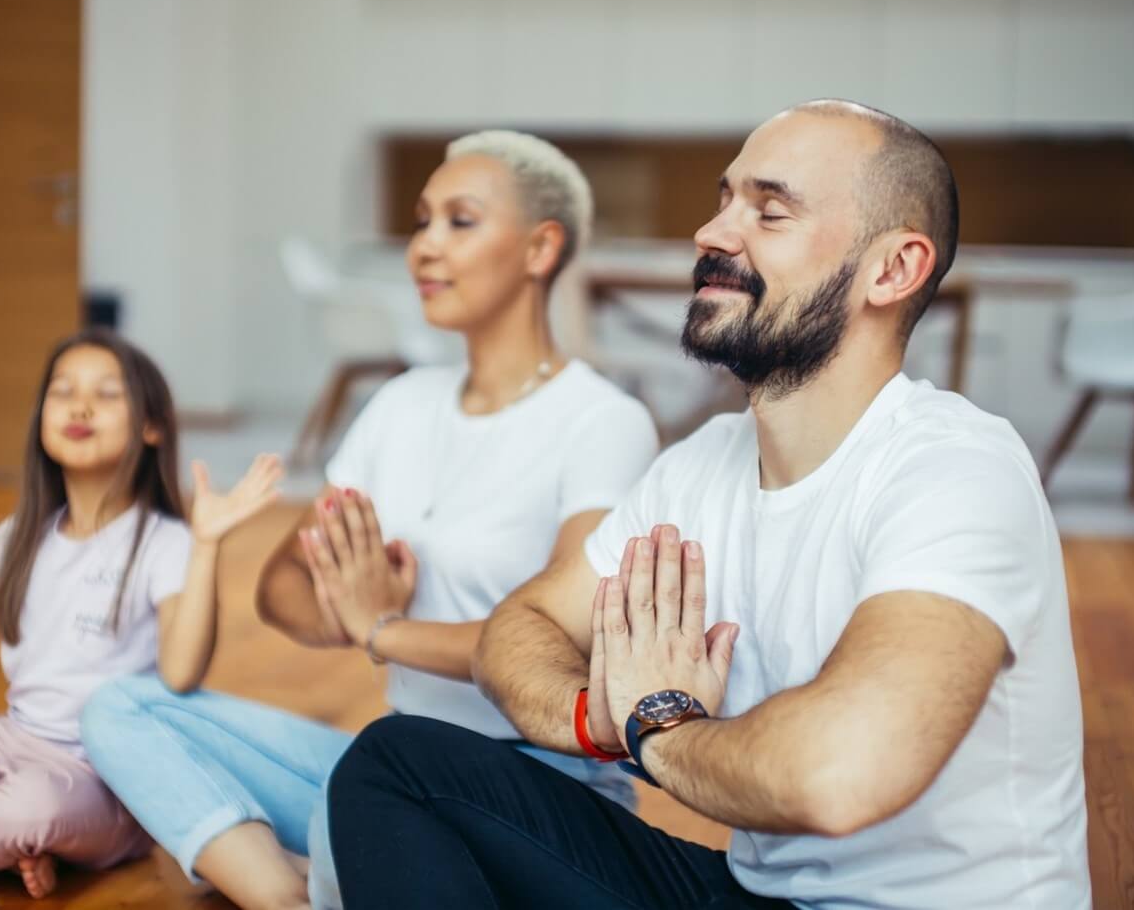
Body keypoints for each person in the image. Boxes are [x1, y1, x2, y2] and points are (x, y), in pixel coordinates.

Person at [326, 100, 1092, 910]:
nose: (714, 232)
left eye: (768, 211)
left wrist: (660, 724)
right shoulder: (701, 464)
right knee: (397, 763)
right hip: (750, 895)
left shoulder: (955, 466)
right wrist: (601, 717)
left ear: (892, 269)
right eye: (723, 200)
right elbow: (518, 632)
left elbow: (837, 776)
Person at [80, 131, 660, 910]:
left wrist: (380, 626)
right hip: (389, 755)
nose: (423, 246)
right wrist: (353, 605)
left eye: (459, 221)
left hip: (541, 780)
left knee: (351, 813)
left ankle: (283, 863)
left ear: (539, 247)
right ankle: (281, 889)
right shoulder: (401, 403)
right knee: (122, 707)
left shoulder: (602, 421)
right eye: (421, 221)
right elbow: (282, 587)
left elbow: (567, 639)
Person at [0, 328, 280, 898]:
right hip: (9, 745)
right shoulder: (23, 535)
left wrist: (208, 547)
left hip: (102, 784)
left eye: (106, 394)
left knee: (31, 805)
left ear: (151, 428)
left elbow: (181, 673)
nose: (79, 405)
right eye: (63, 391)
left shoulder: (166, 542)